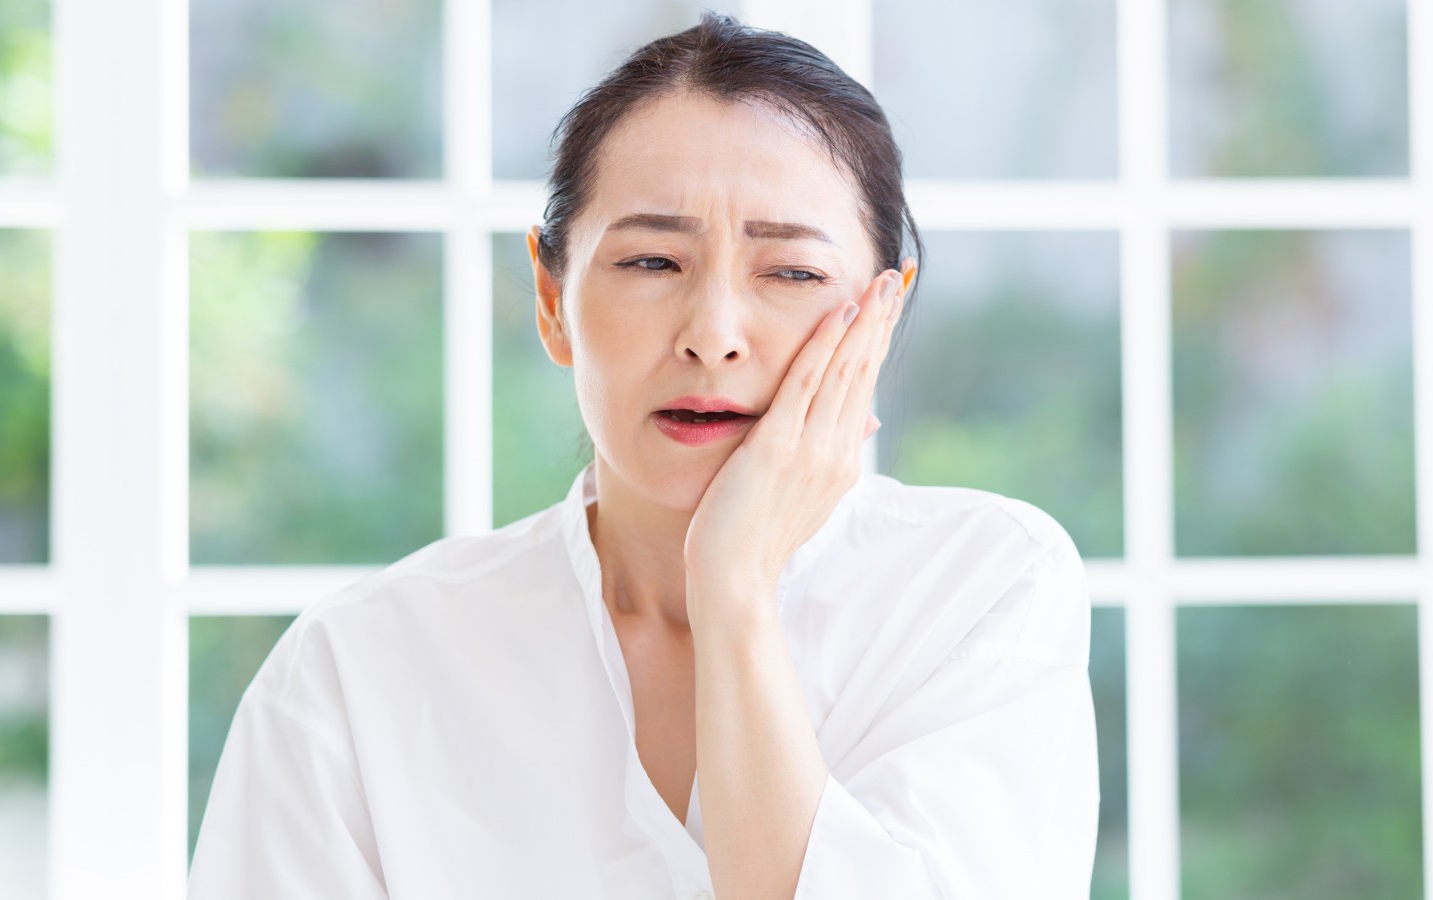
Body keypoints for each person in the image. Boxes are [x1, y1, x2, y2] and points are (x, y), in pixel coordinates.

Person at [186, 11, 1097, 899]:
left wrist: (733, 588)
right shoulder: (356, 670)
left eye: (791, 272)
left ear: (880, 317)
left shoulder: (981, 590)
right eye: (652, 263)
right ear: (552, 301)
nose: (714, 335)